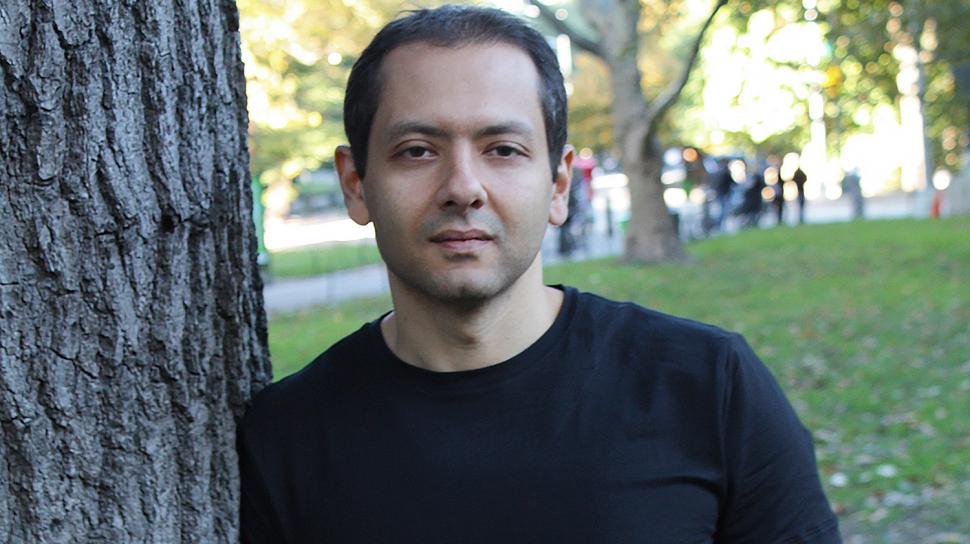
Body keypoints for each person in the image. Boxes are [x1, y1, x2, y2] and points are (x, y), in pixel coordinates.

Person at [237, 6, 841, 543]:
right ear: (355, 183)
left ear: (558, 185)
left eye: (502, 149)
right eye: (418, 149)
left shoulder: (709, 388)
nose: (463, 188)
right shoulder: (285, 439)